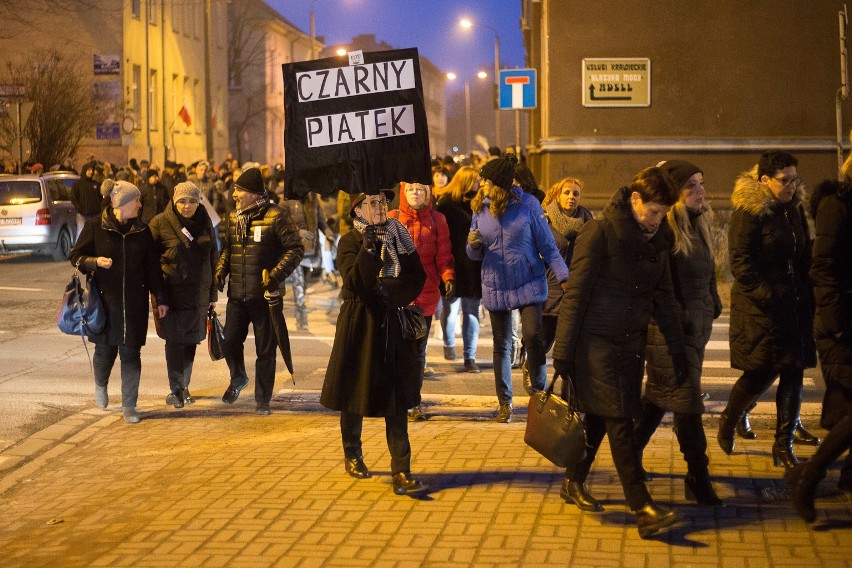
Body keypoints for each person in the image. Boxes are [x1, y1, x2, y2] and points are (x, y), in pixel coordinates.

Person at [552, 166, 687, 539]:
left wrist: (678, 350)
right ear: (635, 199)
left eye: (664, 214)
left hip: (630, 344)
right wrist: (562, 352)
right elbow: (575, 294)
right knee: (620, 421)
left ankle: (573, 480)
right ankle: (642, 507)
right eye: (655, 211)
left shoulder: (658, 241)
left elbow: (664, 299)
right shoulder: (600, 232)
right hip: (595, 344)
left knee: (599, 417)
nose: (659, 220)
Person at [320, 191, 428, 495]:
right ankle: (352, 453)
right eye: (373, 203)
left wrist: (389, 295)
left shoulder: (399, 234)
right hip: (360, 324)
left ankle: (401, 470)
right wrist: (368, 249)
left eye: (383, 202)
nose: (381, 208)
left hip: (392, 322)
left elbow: (416, 276)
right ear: (358, 209)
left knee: (396, 399)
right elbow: (355, 282)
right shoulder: (350, 242)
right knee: (355, 393)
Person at [633, 160, 724, 507]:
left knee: (658, 398)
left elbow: (708, 271)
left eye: (702, 183)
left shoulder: (699, 224)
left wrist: (713, 301)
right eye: (691, 186)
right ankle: (698, 477)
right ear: (673, 194)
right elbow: (660, 288)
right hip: (669, 333)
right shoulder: (665, 232)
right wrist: (682, 317)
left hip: (695, 329)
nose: (701, 192)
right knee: (687, 402)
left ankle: (628, 454)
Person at [717, 151, 817, 469]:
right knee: (758, 373)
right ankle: (729, 418)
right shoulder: (749, 212)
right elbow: (741, 263)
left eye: (794, 179)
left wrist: (808, 286)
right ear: (765, 180)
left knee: (794, 371)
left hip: (794, 305)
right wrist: (769, 295)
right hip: (761, 307)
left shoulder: (794, 210)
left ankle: (783, 444)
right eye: (783, 180)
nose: (790, 185)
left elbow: (802, 253)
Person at [467, 154, 568, 423]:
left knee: (534, 337)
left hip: (529, 280)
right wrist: (473, 244)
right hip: (496, 282)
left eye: (486, 180)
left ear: (498, 183)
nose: (482, 185)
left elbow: (547, 246)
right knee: (501, 345)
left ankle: (538, 395)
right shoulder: (479, 208)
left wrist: (565, 278)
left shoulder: (529, 205)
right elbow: (474, 254)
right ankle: (505, 403)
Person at [69, 180, 169, 424]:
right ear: (122, 203)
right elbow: (76, 257)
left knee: (131, 354)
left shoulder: (142, 232)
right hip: (105, 303)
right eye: (136, 200)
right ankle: (100, 384)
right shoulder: (96, 227)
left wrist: (161, 298)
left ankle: (129, 406)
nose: (139, 204)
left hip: (134, 304)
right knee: (105, 351)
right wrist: (95, 262)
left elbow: (153, 269)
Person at [785, 176, 852, 522]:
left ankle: (829, 477)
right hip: (840, 326)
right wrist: (836, 320)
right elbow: (822, 266)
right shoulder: (835, 205)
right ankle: (808, 479)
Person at [214, 167, 304, 415]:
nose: (234, 195)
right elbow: (228, 250)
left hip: (265, 297)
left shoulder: (276, 215)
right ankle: (238, 376)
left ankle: (262, 399)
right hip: (238, 295)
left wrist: (275, 276)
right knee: (229, 342)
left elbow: (295, 249)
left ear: (253, 194)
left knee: (266, 351)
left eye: (239, 191)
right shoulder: (234, 217)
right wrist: (221, 269)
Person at [389, 182, 455, 420]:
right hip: (397, 294)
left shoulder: (438, 220)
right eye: (411, 189)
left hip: (426, 294)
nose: (416, 193)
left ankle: (413, 402)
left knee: (418, 351)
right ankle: (396, 399)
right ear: (403, 193)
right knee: (398, 350)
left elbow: (444, 254)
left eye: (421, 189)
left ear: (428, 193)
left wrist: (448, 277)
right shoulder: (392, 218)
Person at [149, 181, 218, 408]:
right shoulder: (159, 223)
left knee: (191, 341)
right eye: (182, 201)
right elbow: (150, 264)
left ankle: (185, 385)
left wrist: (212, 294)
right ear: (174, 201)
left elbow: (213, 258)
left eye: (192, 201)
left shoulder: (205, 221)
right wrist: (159, 296)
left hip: (198, 292)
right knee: (174, 341)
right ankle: (175, 388)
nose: (187, 206)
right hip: (172, 293)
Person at [536, 177, 593, 392]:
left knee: (570, 348)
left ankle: (568, 395)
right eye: (567, 193)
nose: (571, 197)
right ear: (558, 195)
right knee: (542, 343)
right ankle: (535, 379)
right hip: (549, 289)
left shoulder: (588, 221)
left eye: (575, 194)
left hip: (575, 291)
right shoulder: (545, 220)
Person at [435, 167, 483, 373]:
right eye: (475, 180)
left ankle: (469, 357)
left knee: (471, 311)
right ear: (464, 181)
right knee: (451, 308)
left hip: (473, 264)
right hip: (452, 262)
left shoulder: (480, 204)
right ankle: (448, 343)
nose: (478, 184)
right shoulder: (446, 204)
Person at [282, 191, 335, 330]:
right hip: (294, 248)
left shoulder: (313, 200)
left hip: (311, 251)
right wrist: (298, 231)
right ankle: (302, 319)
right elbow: (281, 221)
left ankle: (300, 311)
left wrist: (329, 234)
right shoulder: (288, 200)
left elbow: (322, 222)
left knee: (304, 284)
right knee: (298, 285)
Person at [71, 162, 103, 237]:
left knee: (95, 233)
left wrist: (99, 210)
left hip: (95, 214)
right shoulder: (78, 184)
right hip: (83, 215)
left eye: (92, 170)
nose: (91, 172)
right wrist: (80, 209)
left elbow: (100, 198)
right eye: (89, 170)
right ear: (85, 170)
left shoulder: (96, 184)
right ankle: (80, 248)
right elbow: (73, 197)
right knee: (81, 233)